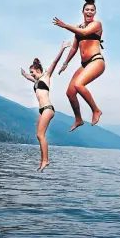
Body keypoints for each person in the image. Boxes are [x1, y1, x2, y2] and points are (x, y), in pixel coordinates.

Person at [53, 0, 105, 131]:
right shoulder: (79, 27)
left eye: (92, 10)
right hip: (84, 65)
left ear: (95, 12)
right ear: (83, 12)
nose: (89, 12)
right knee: (70, 92)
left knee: (78, 84)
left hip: (96, 61)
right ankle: (78, 119)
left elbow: (84, 33)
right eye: (87, 10)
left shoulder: (96, 24)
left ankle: (96, 110)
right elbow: (75, 47)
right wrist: (65, 63)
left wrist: (65, 25)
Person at [21, 41, 71, 172]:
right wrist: (25, 74)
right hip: (42, 110)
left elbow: (54, 62)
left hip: (48, 109)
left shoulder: (46, 76)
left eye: (33, 73)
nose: (32, 75)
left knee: (41, 135)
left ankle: (46, 160)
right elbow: (28, 77)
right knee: (38, 135)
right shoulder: (37, 81)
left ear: (39, 71)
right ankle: (42, 160)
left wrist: (62, 49)